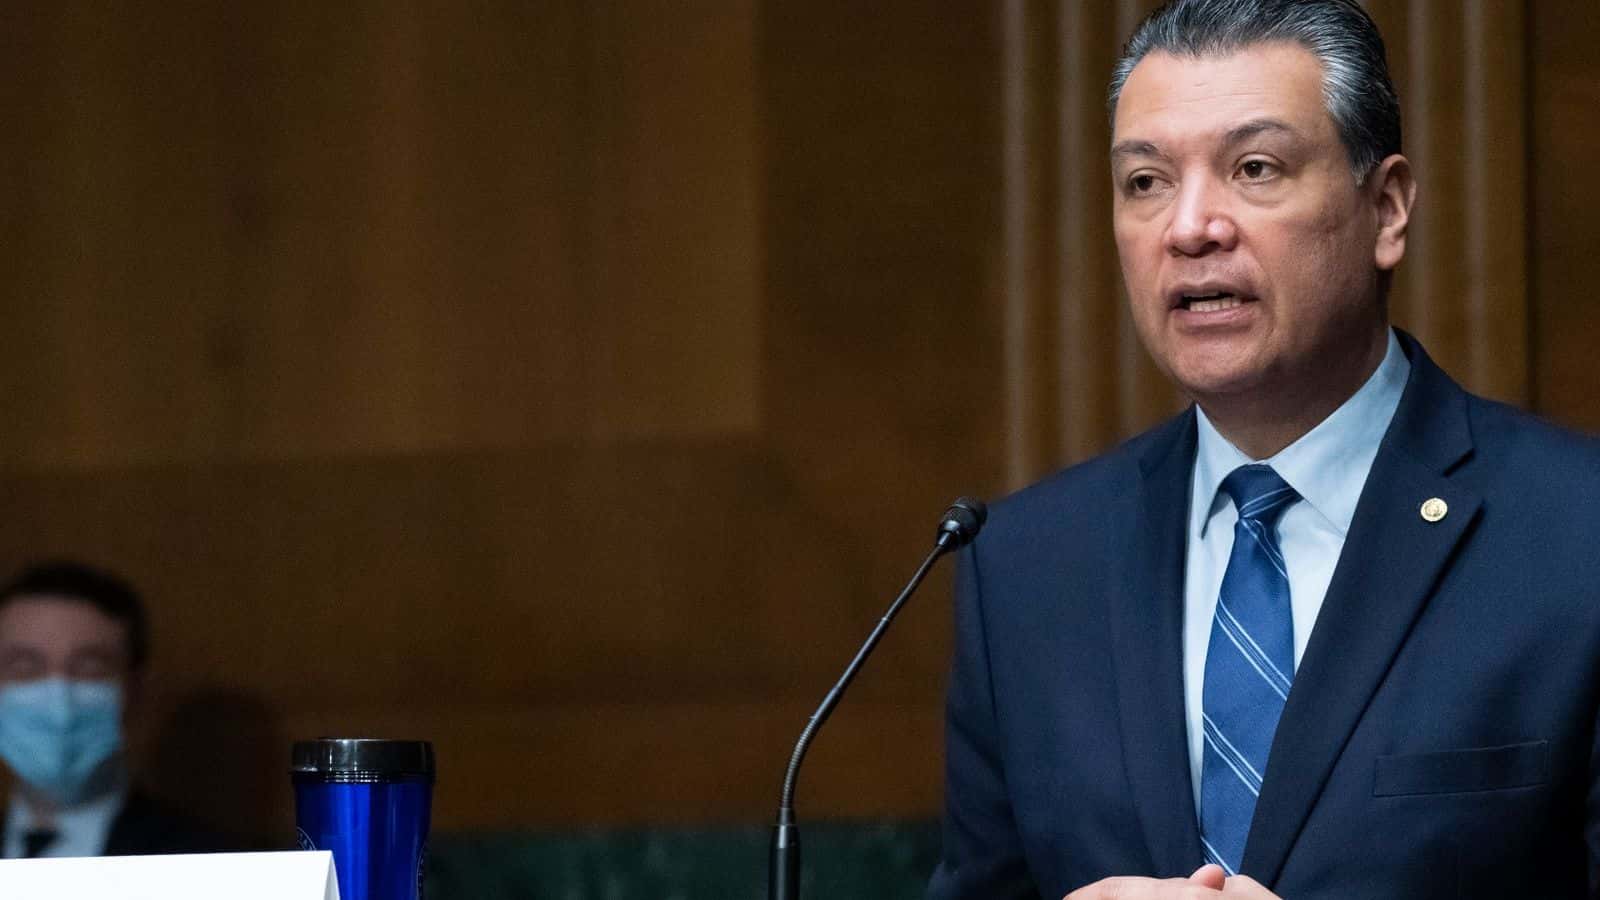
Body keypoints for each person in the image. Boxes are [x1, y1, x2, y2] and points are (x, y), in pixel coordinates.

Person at [926, 1, 1600, 898]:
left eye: (1254, 168)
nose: (1189, 226)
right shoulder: (1024, 569)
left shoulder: (1576, 534)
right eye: (1145, 182)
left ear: (1387, 209)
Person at [0, 560, 229, 857]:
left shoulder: (207, 863)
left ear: (136, 690)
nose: (60, 701)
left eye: (89, 668)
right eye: (25, 667)